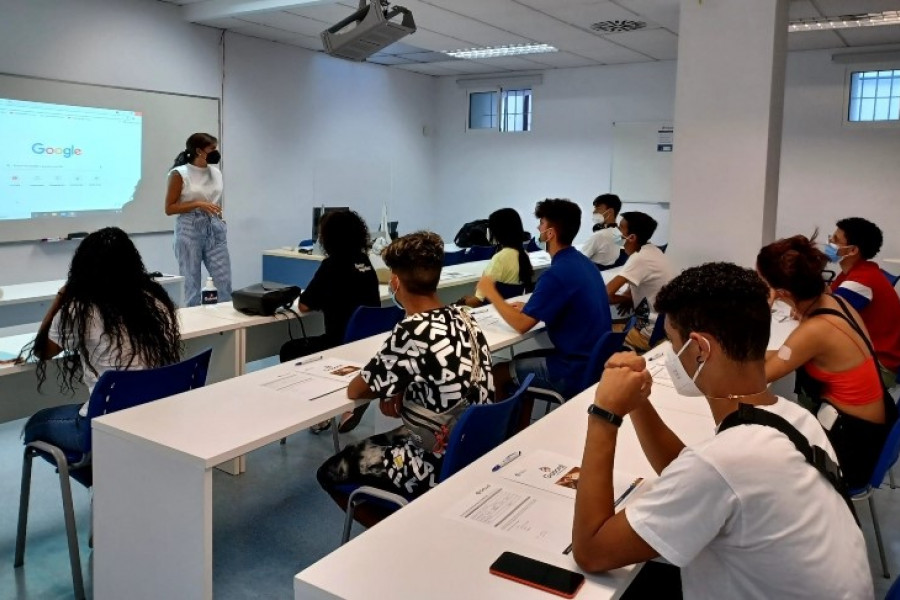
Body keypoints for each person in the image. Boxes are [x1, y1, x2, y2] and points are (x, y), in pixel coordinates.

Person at [571, 262, 872, 598]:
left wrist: (604, 415)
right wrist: (638, 401)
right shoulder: (796, 418)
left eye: (673, 343)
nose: (670, 357)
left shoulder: (725, 462)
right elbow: (690, 474)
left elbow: (592, 551)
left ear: (700, 349)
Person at [317, 232, 494, 508]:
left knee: (330, 471)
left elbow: (357, 389)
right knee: (382, 438)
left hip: (433, 461)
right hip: (472, 444)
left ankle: (392, 529)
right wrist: (403, 388)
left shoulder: (412, 330)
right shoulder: (463, 316)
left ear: (396, 282)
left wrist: (393, 387)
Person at [23, 227, 182, 461]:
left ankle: (101, 480)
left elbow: (42, 351)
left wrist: (60, 297)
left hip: (103, 423)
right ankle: (107, 481)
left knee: (34, 425)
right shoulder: (155, 303)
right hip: (153, 415)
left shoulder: (80, 309)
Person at [758, 234, 896, 489]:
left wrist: (762, 307)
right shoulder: (836, 301)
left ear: (783, 292)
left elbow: (760, 377)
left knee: (758, 458)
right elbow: (781, 356)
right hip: (871, 429)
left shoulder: (816, 330)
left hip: (852, 448)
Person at [480, 198, 611, 403]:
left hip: (573, 370)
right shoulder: (583, 263)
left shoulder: (557, 273)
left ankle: (506, 433)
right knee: (518, 361)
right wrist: (533, 307)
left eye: (541, 223)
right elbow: (565, 303)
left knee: (497, 372)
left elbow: (522, 325)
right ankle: (521, 424)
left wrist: (492, 293)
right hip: (593, 361)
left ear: (550, 233)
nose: (537, 228)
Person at [296, 210, 380, 434]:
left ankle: (319, 413)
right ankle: (347, 403)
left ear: (328, 238)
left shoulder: (331, 266)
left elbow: (303, 305)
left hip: (338, 346)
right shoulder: (365, 263)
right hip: (367, 346)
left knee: (290, 350)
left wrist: (322, 300)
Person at [827, 217, 900, 387]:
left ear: (852, 250)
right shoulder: (854, 272)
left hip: (880, 365)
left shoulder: (861, 281)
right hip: (868, 351)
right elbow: (828, 298)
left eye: (836, 240)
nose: (829, 242)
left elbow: (825, 314)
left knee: (810, 359)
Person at [165, 132, 232, 306]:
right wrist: (198, 204)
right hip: (189, 227)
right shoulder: (180, 173)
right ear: (199, 151)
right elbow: (169, 208)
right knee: (191, 283)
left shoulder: (215, 172)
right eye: (212, 149)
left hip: (214, 226)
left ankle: (225, 325)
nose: (215, 152)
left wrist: (217, 218)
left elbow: (214, 197)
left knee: (223, 281)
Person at [605, 211, 673, 352]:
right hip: (661, 327)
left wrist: (624, 298)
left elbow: (604, 295)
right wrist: (627, 297)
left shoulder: (639, 258)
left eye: (620, 228)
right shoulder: (653, 251)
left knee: (600, 332)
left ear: (632, 237)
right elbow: (641, 283)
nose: (616, 231)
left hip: (647, 334)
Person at [459, 208, 534, 308]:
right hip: (509, 307)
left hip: (492, 311)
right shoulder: (524, 254)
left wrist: (464, 300)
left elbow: (478, 301)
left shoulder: (499, 258)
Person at [580, 193, 624, 268]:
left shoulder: (599, 236)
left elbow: (578, 260)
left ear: (610, 211)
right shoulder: (618, 233)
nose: (594, 211)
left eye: (598, 208)